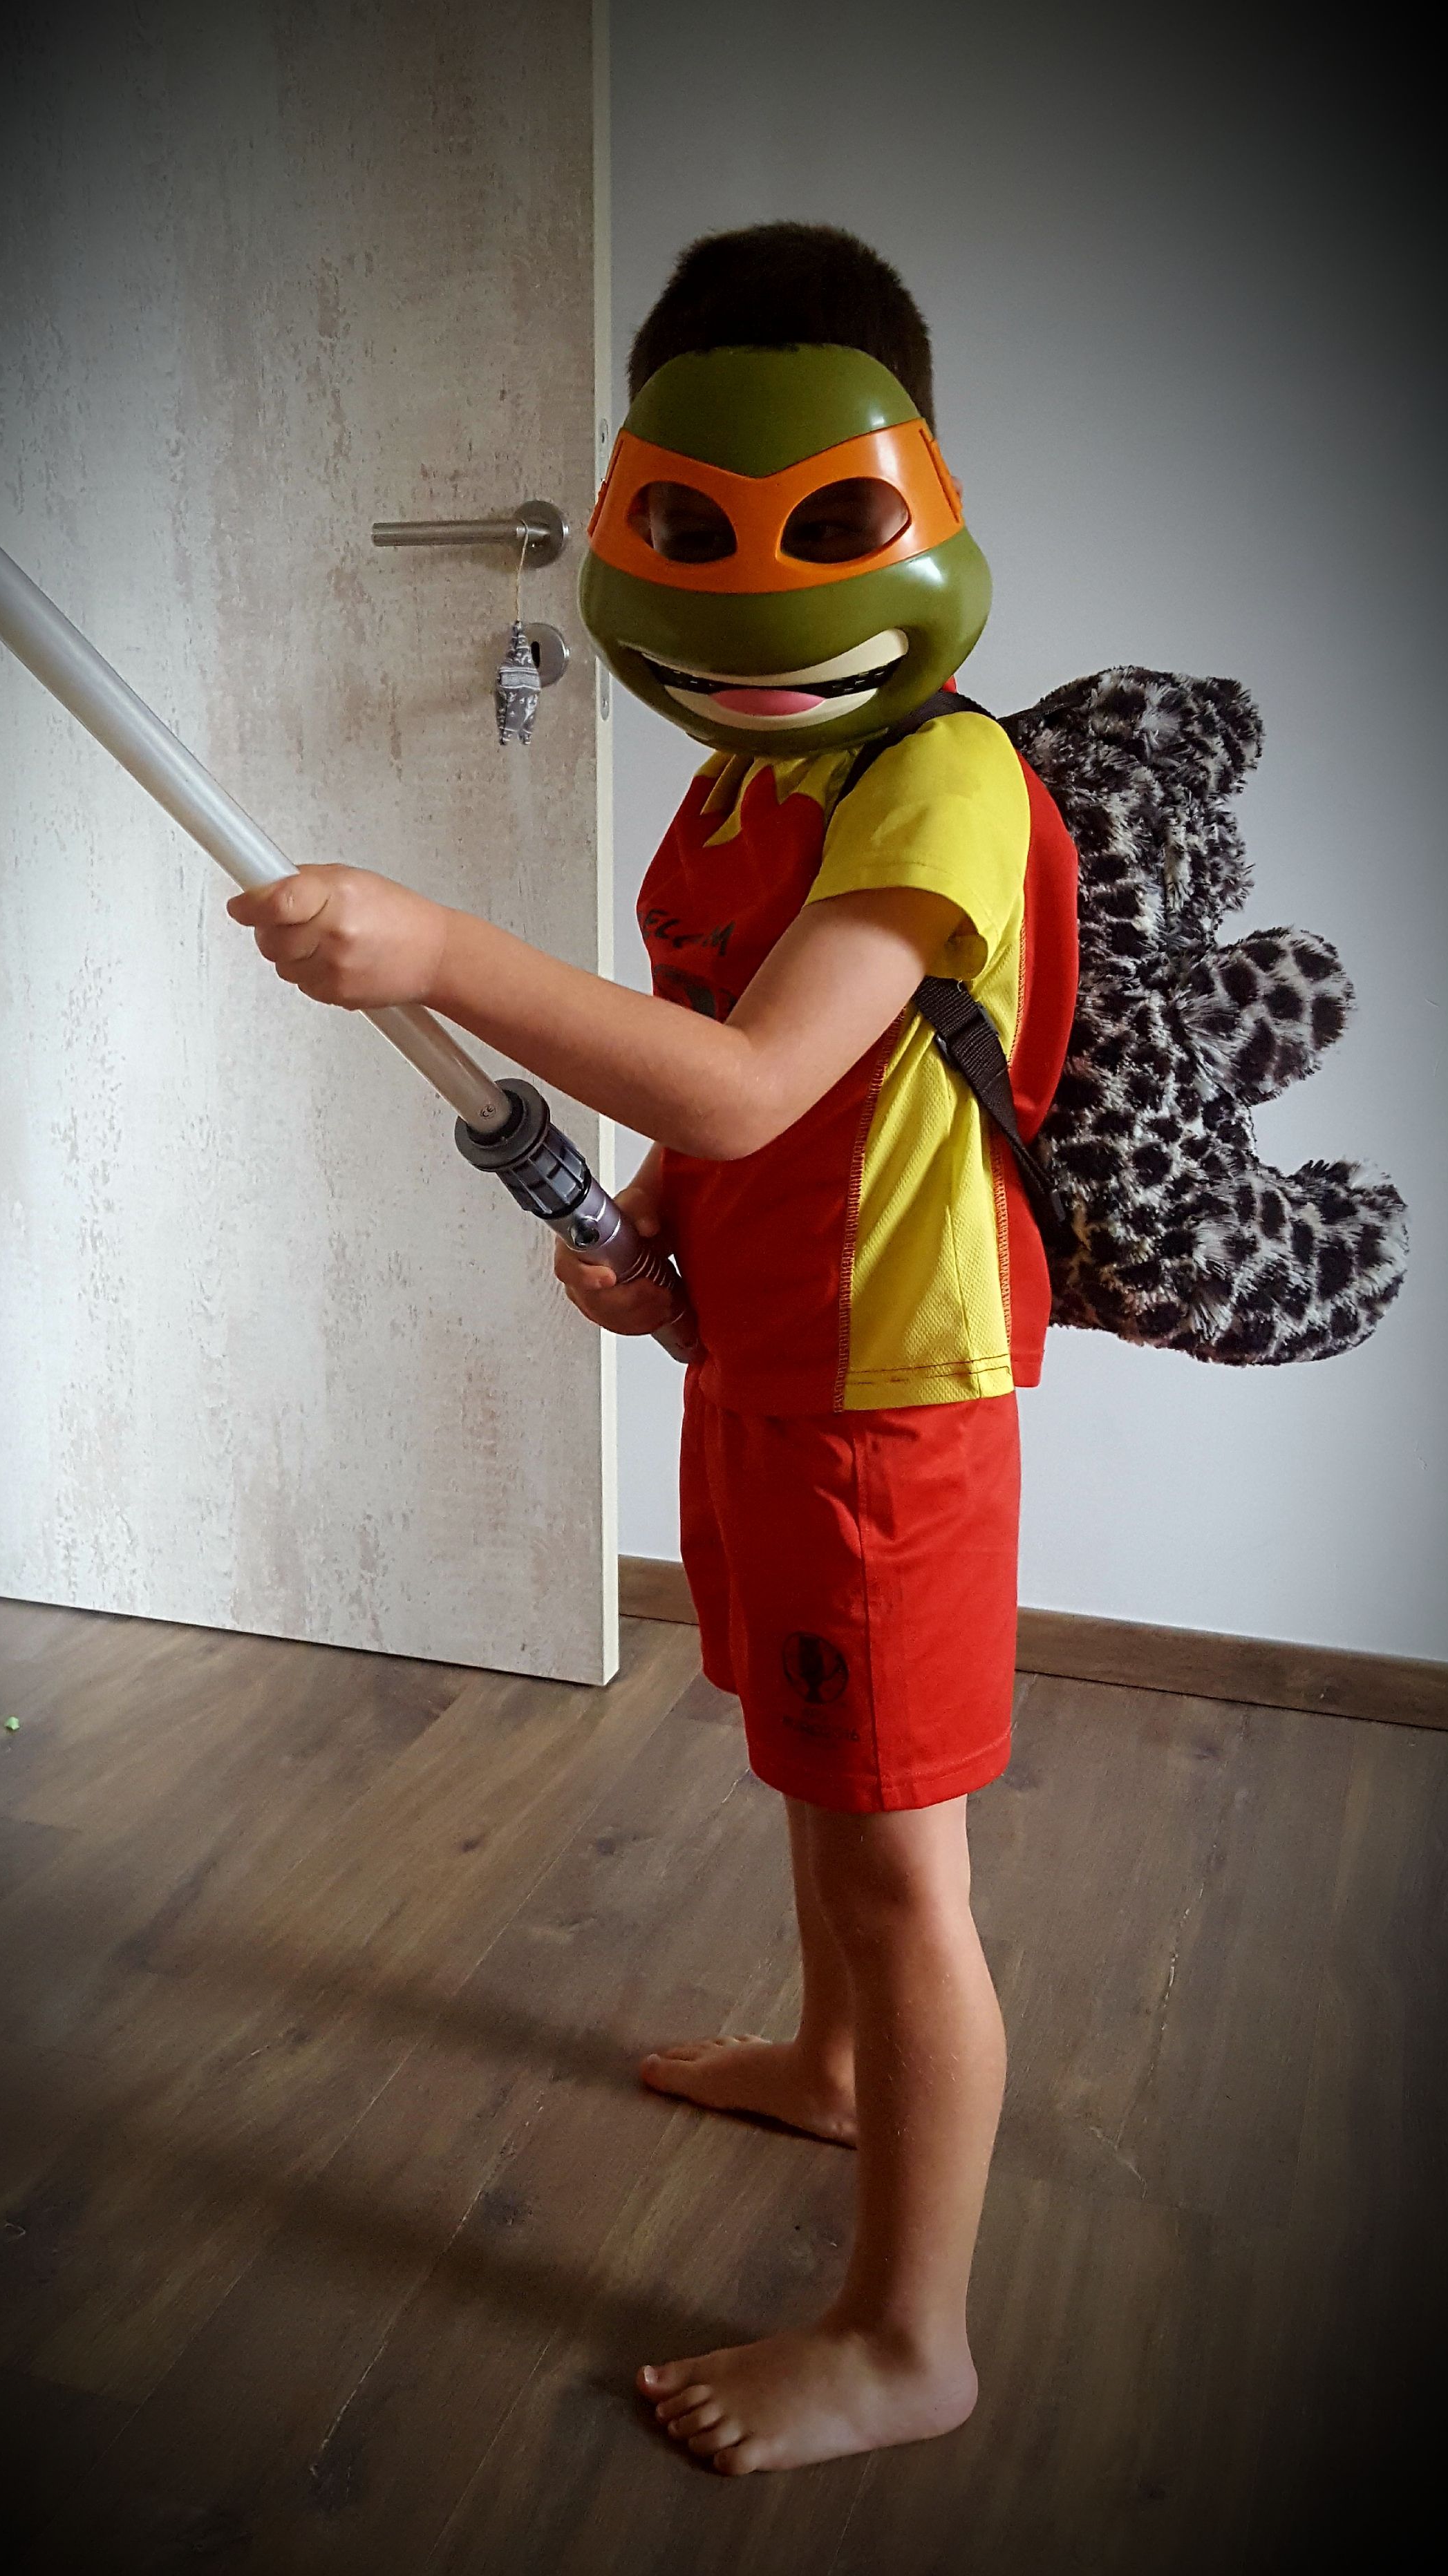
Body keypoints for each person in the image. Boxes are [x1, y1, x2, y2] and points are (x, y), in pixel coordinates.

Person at [228, 223, 1077, 2476]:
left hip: (894, 1390)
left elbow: (758, 1076)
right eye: (688, 528)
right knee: (814, 1767)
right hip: (764, 1348)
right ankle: (831, 2068)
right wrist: (655, 1238)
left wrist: (441, 946)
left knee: (903, 1864)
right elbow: (720, 1078)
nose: (747, 594)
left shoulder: (937, 782)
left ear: (917, 495)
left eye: (817, 521)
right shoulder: (739, 786)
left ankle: (910, 2340)